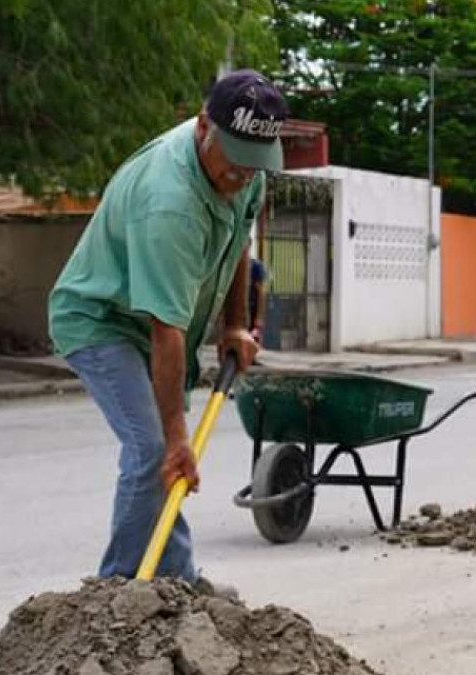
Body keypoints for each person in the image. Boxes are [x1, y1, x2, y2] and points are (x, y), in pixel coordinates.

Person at [47, 69, 289, 585]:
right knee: (156, 450)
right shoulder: (170, 202)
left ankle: (177, 582)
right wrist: (178, 438)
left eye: (255, 162)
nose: (243, 176)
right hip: (102, 319)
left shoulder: (247, 171)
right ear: (204, 127)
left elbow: (239, 244)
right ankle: (113, 598)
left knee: (163, 455)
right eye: (236, 161)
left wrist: (235, 326)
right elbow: (167, 331)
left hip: (156, 325)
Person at [248, 257, 268, 343]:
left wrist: (259, 317)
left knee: (252, 340)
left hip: (252, 310)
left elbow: (261, 293)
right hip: (237, 312)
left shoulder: (255, 266)